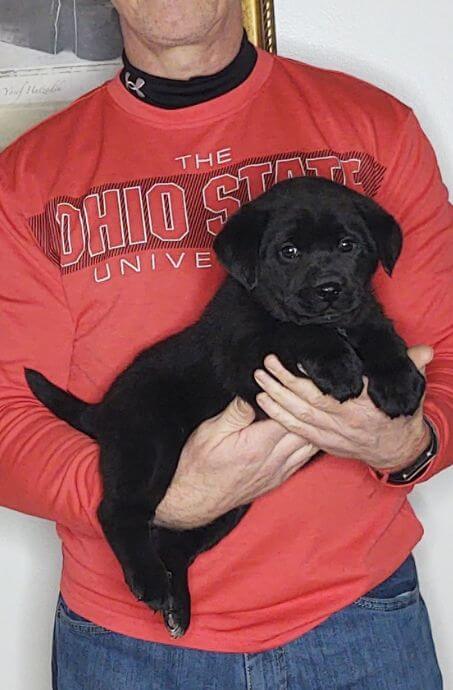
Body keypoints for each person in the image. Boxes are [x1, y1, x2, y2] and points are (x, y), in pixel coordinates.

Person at [0, 1, 451, 688]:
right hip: (125, 643)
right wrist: (164, 497)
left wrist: (409, 446)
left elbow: (444, 354)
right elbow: (6, 418)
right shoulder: (25, 177)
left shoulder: (374, 128)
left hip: (358, 618)